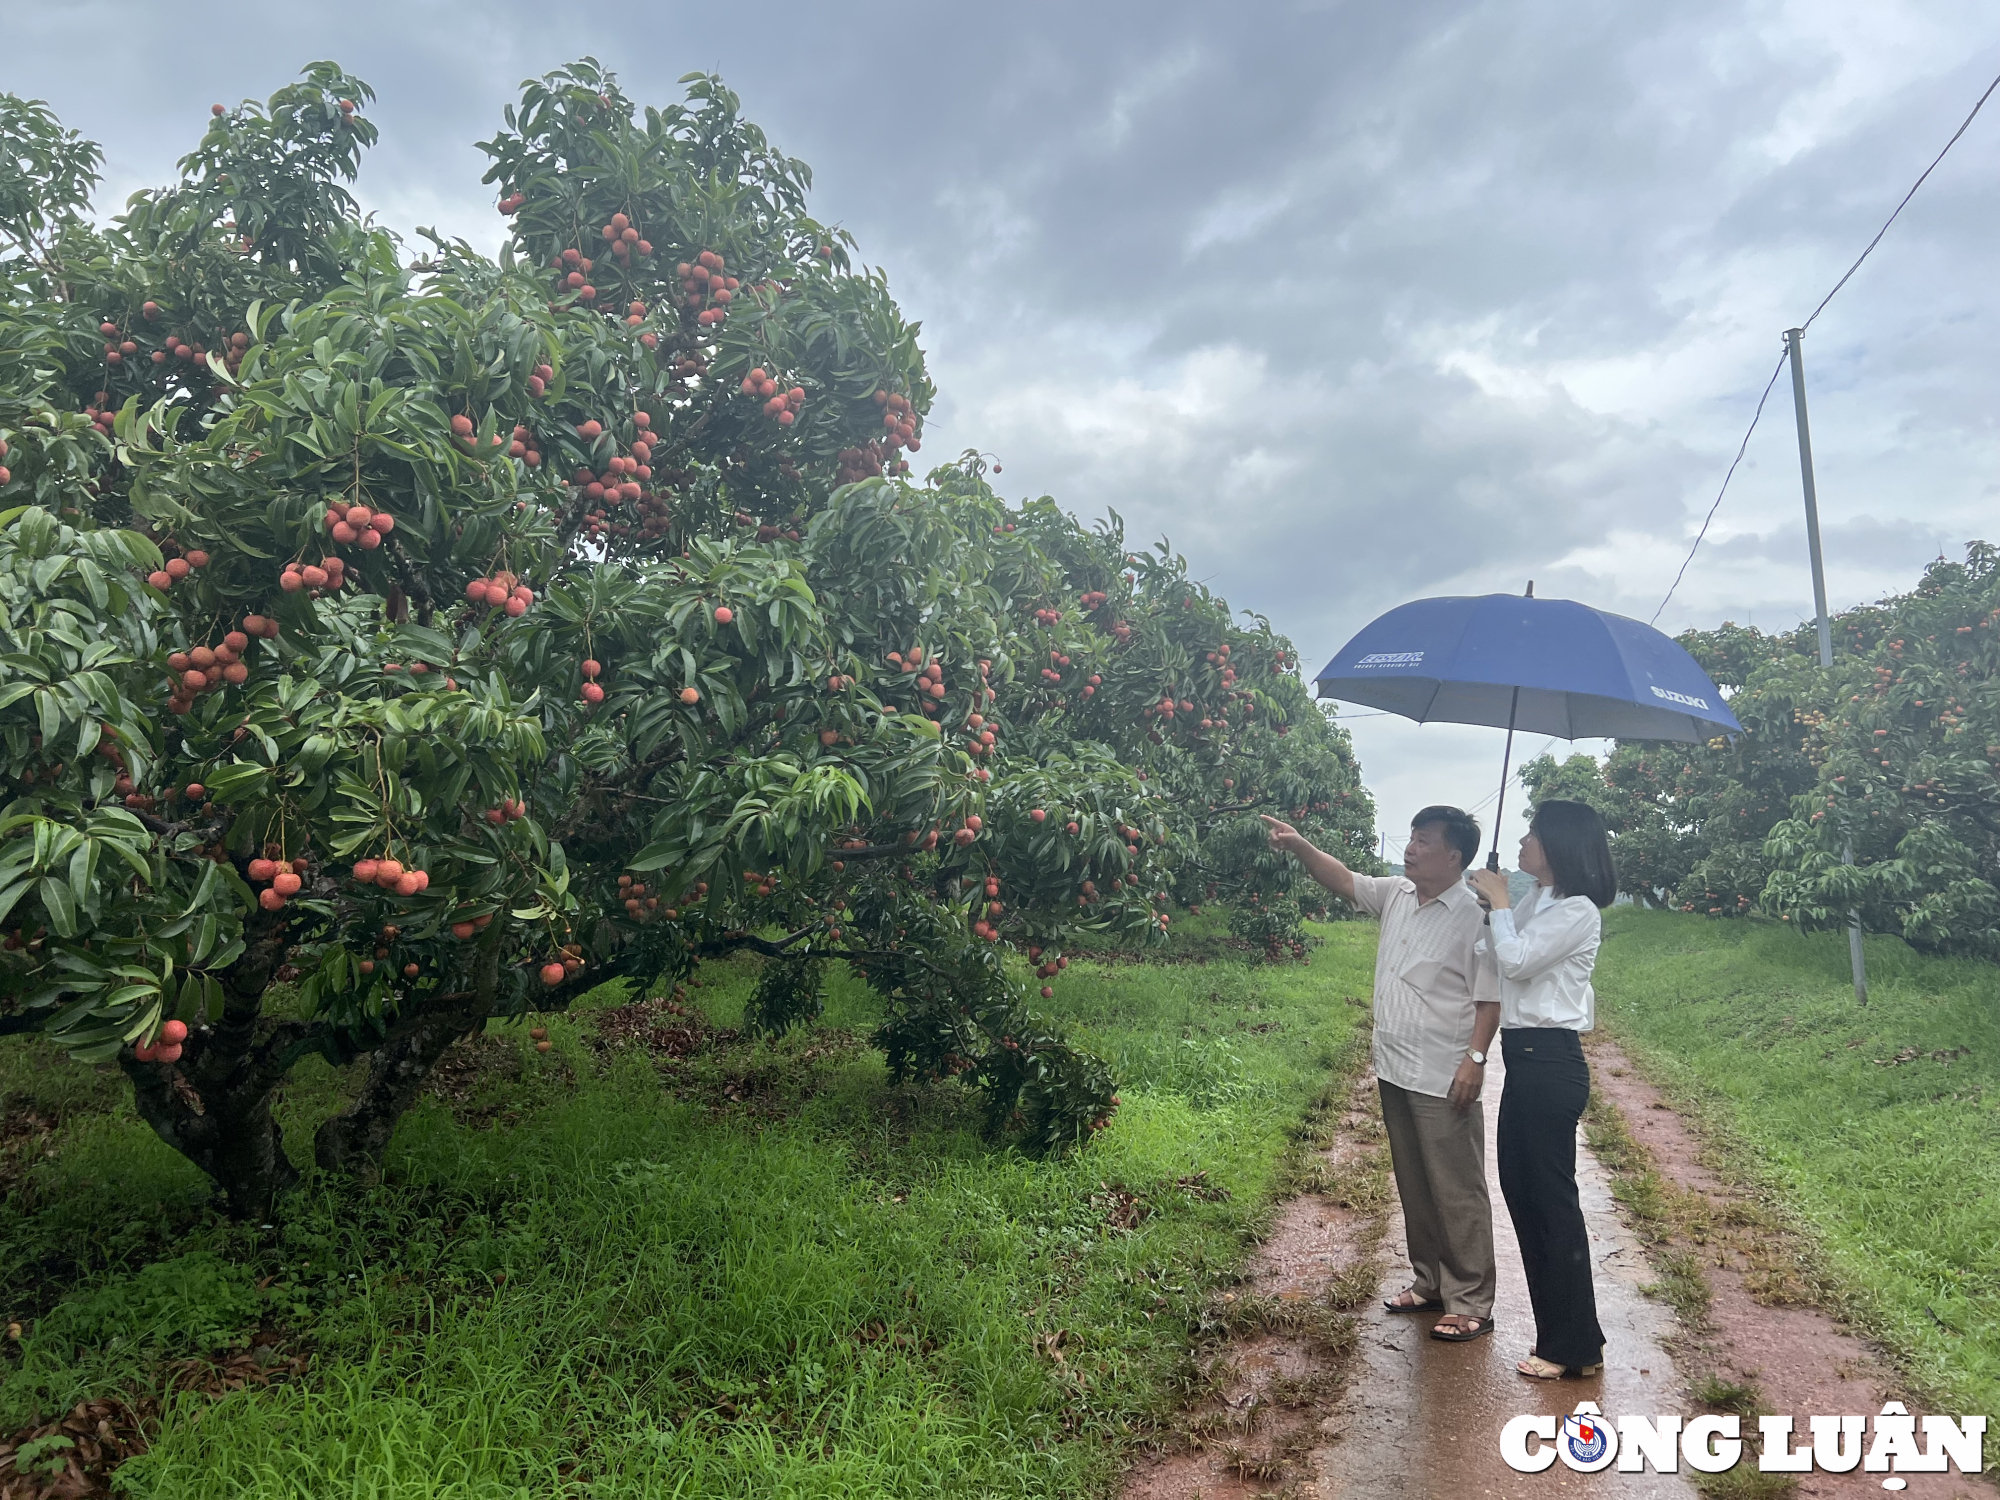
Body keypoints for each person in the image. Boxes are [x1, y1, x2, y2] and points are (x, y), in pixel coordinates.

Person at [1262, 807, 1500, 1343]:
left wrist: (1476, 1061)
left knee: (1456, 1187)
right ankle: (1430, 1281)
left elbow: (1490, 1000)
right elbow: (1344, 879)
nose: (1410, 848)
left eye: (1422, 840)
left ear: (1455, 856)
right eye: (1411, 838)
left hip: (1443, 1071)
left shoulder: (1476, 915)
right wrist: (1301, 846)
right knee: (1416, 1182)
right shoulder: (1396, 893)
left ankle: (1471, 1300)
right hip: (1395, 1064)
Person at [1466, 799, 1617, 1381]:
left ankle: (1572, 1344)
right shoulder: (1541, 899)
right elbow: (1497, 958)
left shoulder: (1579, 910)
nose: (1524, 843)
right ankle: (1571, 1334)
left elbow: (1520, 961)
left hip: (1551, 1062)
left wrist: (1503, 907)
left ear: (1559, 846)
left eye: (1534, 834)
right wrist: (1494, 910)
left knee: (1550, 1202)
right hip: (1525, 1062)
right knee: (1523, 1192)